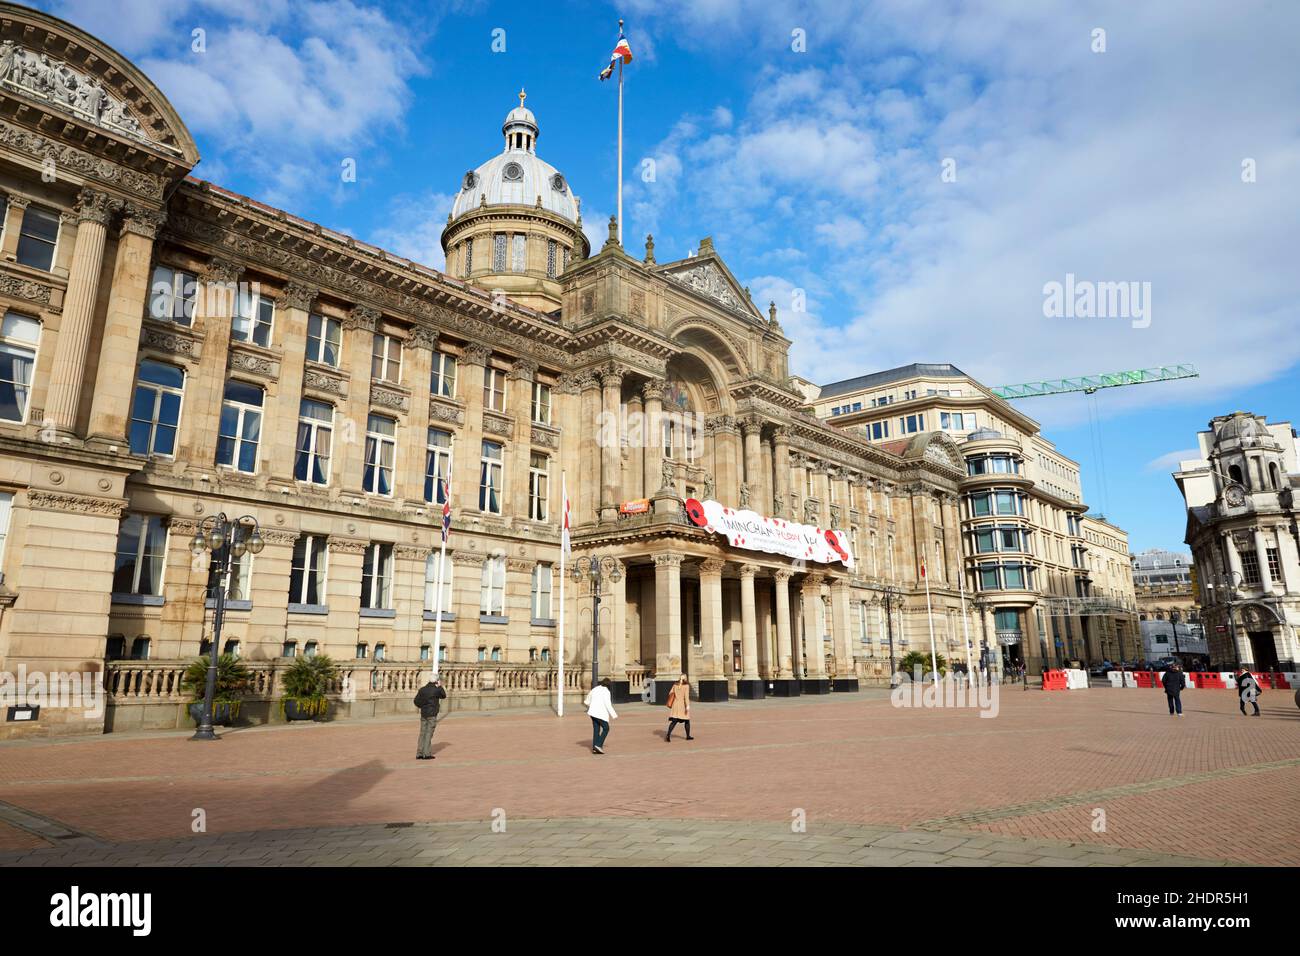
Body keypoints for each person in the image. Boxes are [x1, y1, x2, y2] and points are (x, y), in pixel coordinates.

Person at [413, 677, 447, 760]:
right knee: (429, 733)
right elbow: (444, 695)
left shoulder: (422, 689)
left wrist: (422, 706)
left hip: (424, 714)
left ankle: (419, 753)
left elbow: (416, 701)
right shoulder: (436, 690)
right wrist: (439, 686)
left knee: (422, 733)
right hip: (432, 714)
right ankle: (426, 753)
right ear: (436, 681)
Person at [584, 677, 618, 754]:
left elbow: (587, 701)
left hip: (592, 713)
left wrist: (591, 705)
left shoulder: (595, 689)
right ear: (609, 685)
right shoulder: (606, 692)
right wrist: (614, 715)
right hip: (600, 714)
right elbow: (608, 705)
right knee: (606, 728)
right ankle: (598, 745)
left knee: (596, 730)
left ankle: (594, 748)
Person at [665, 674, 694, 742]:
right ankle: (688, 736)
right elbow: (686, 697)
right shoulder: (686, 686)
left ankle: (668, 735)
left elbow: (670, 693)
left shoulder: (675, 684)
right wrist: (687, 706)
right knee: (687, 721)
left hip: (675, 704)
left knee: (674, 721)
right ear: (685, 678)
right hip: (682, 705)